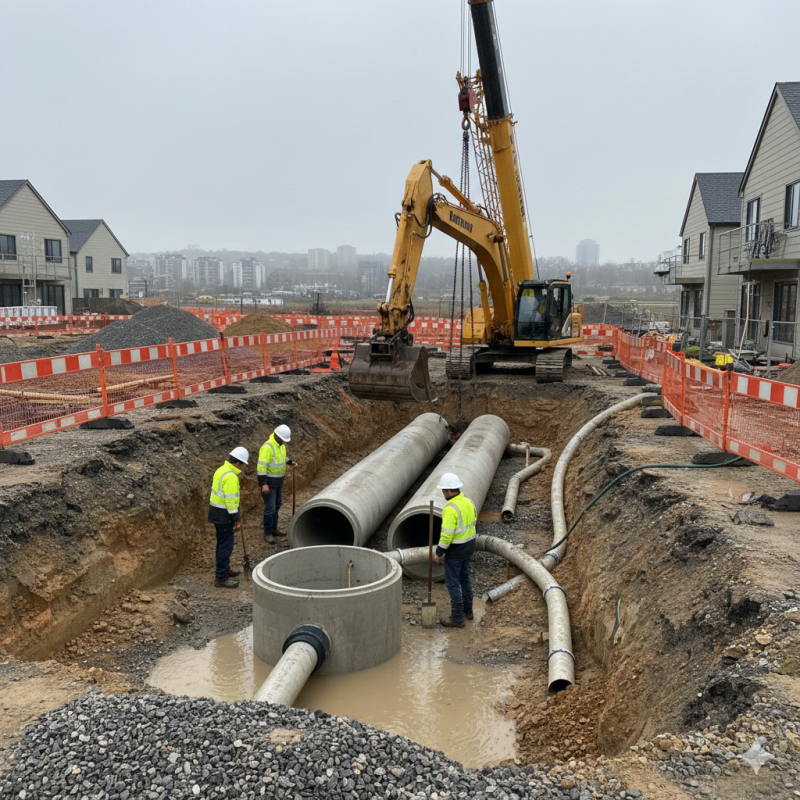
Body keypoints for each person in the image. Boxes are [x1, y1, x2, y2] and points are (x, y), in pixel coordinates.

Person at [433, 472, 477, 628]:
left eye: (443, 490)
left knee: (453, 583)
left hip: (456, 549)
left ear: (447, 491)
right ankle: (468, 611)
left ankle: (457, 618)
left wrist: (439, 552)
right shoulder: (468, 502)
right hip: (470, 545)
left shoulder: (450, 508)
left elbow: (446, 535)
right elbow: (473, 522)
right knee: (465, 578)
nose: (443, 493)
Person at [208, 446, 249, 588]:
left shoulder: (221, 470)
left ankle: (224, 569)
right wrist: (237, 519)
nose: (242, 467)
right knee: (226, 546)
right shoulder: (231, 476)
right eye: (243, 464)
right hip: (224, 515)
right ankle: (221, 578)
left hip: (216, 513)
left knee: (221, 544)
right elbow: (231, 501)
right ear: (237, 462)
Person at [257, 424, 298, 537]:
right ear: (277, 436)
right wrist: (263, 484)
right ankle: (268, 532)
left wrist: (290, 461)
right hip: (269, 483)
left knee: (277, 505)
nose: (284, 442)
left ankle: (273, 528)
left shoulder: (280, 446)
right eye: (283, 439)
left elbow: (280, 457)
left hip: (278, 482)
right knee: (270, 508)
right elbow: (261, 467)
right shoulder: (267, 447)